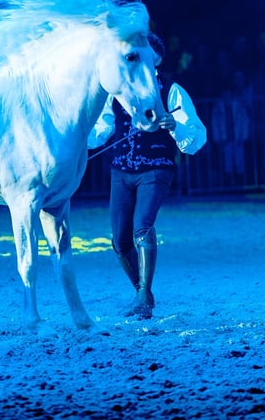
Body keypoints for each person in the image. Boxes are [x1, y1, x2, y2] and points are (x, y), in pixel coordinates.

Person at [88, 32, 206, 319]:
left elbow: (196, 136)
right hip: (121, 171)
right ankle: (143, 293)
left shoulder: (172, 90)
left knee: (141, 227)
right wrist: (79, 141)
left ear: (158, 58)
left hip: (155, 168)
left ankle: (143, 296)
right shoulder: (118, 90)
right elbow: (103, 128)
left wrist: (174, 126)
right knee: (120, 241)